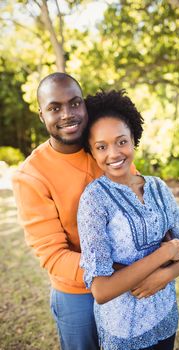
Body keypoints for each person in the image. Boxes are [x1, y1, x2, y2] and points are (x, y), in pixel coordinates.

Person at [78, 90, 179, 350]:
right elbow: (101, 290)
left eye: (121, 141)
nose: (114, 153)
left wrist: (164, 276)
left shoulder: (158, 187)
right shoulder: (94, 199)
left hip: (165, 314)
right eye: (101, 146)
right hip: (123, 328)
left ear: (133, 138)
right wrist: (164, 253)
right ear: (91, 151)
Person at [12, 72, 103, 350]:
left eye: (75, 103)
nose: (67, 114)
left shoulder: (105, 146)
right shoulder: (31, 176)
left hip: (128, 280)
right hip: (77, 292)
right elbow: (55, 256)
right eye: (55, 108)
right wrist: (121, 271)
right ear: (42, 115)